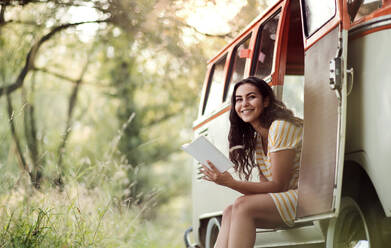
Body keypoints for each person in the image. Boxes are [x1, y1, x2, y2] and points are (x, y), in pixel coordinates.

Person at [200, 76, 303, 248]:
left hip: (305, 196)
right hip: (286, 198)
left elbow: (278, 186)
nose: (244, 104)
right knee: (229, 210)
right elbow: (267, 188)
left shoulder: (279, 127)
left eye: (251, 97)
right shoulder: (258, 139)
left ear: (266, 101)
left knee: (241, 204)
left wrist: (230, 183)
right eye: (239, 100)